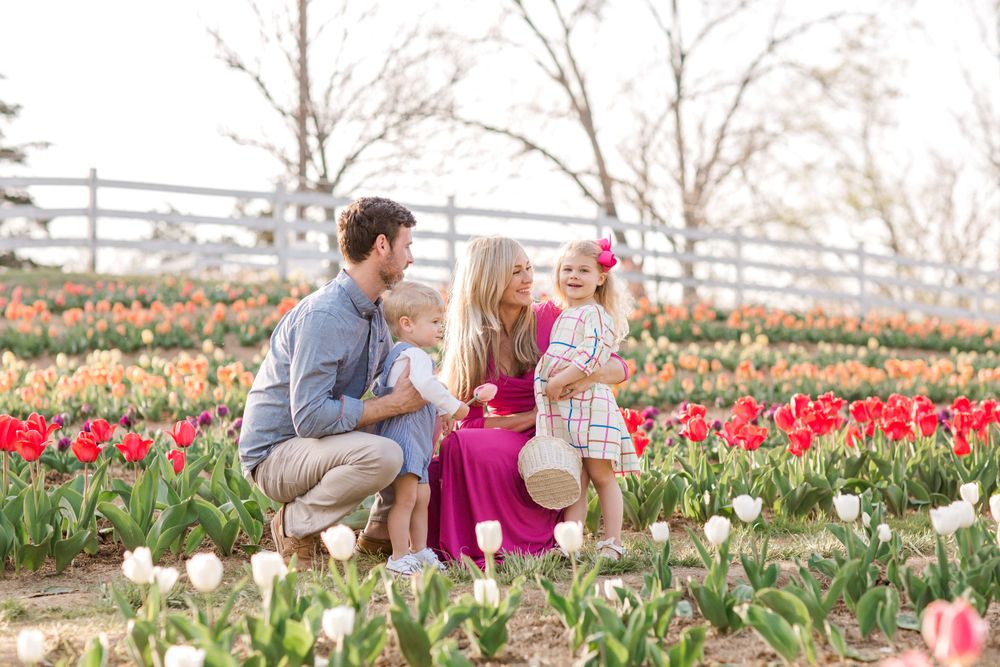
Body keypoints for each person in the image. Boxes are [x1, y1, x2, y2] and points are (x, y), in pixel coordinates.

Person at [358, 235, 629, 564]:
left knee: (464, 447)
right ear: (489, 280)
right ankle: (420, 538)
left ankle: (539, 536)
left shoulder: (552, 318)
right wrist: (532, 415)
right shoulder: (473, 341)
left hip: (552, 437)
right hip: (512, 433)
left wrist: (567, 388)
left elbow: (617, 367)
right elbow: (467, 418)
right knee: (449, 452)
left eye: (528, 268)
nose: (528, 278)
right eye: (516, 272)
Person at [238, 197, 427, 568]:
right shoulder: (325, 316)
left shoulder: (372, 313)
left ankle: (378, 534)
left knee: (410, 426)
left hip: (316, 445)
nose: (410, 258)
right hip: (277, 453)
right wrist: (392, 405)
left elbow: (392, 385)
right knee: (384, 452)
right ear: (382, 245)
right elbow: (308, 418)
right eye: (407, 246)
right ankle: (293, 526)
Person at [535, 239, 640, 561]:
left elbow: (592, 355)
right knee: (574, 478)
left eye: (584, 270)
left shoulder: (595, 313)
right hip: (564, 409)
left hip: (590, 406)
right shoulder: (566, 313)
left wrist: (560, 380)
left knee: (601, 475)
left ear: (600, 278)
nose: (574, 276)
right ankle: (572, 543)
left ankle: (612, 542)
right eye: (567, 269)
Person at [373, 281, 477, 576]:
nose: (439, 328)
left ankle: (419, 551)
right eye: (433, 322)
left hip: (414, 439)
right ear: (406, 324)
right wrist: (453, 406)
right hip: (406, 437)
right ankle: (398, 556)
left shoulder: (398, 354)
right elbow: (426, 385)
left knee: (421, 497)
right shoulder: (415, 355)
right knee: (406, 499)